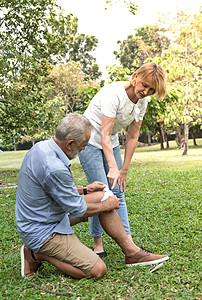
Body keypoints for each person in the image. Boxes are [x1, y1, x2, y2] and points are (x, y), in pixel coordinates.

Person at [15, 113, 169, 279]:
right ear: (70, 144)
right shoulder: (54, 167)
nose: (84, 148)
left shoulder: (42, 147)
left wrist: (87, 189)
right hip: (43, 231)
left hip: (47, 214)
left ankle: (132, 253)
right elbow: (78, 209)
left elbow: (55, 188)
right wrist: (108, 205)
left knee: (102, 195)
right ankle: (36, 254)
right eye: (83, 145)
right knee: (97, 270)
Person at [78, 62, 167, 255]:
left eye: (152, 89)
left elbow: (133, 135)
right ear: (135, 76)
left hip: (111, 141)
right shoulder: (114, 93)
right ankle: (97, 243)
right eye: (144, 85)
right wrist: (112, 167)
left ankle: (130, 245)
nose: (146, 91)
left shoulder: (143, 101)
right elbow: (103, 132)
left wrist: (123, 169)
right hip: (90, 141)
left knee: (118, 192)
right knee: (101, 190)